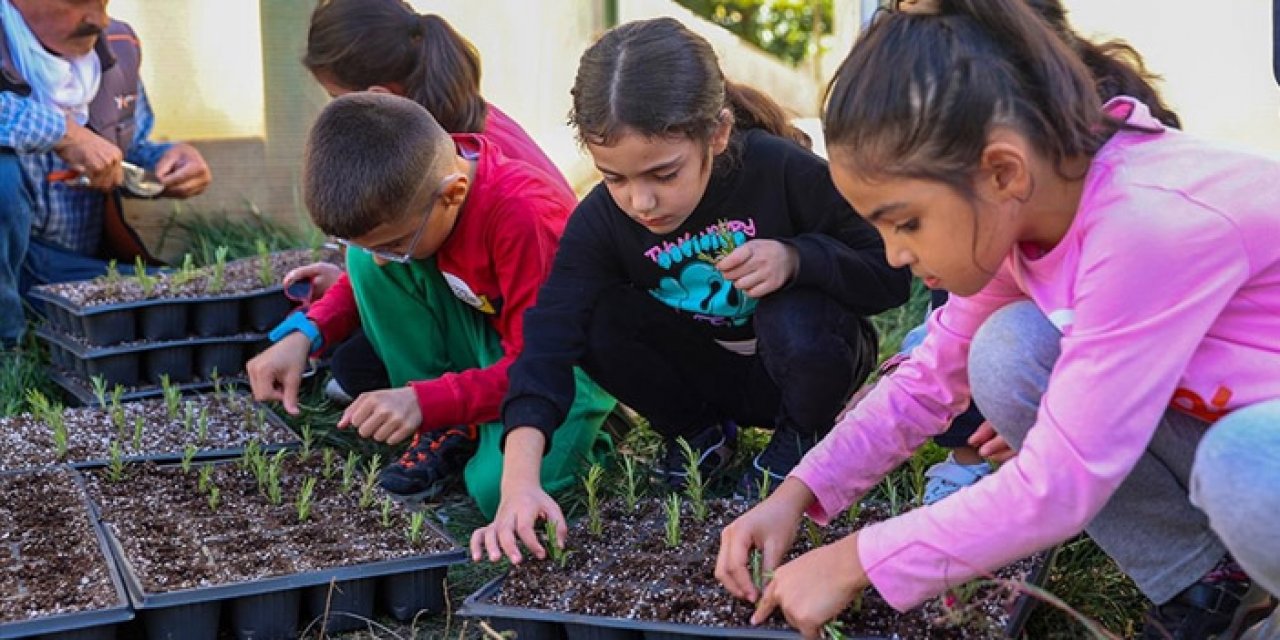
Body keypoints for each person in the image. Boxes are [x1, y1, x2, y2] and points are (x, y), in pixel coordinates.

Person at [717, 2, 1280, 639]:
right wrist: (795, 493)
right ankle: (1202, 580)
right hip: (1248, 424)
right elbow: (929, 379)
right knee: (1009, 350)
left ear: (1003, 170)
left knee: (1243, 463)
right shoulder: (1029, 214)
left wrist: (856, 560)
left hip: (1256, 452)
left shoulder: (1142, 225)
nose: (895, 253)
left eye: (906, 222)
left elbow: (1058, 483)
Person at [470, 16, 909, 566]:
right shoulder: (602, 223)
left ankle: (800, 440)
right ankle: (700, 437)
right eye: (615, 178)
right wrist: (518, 483)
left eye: (663, 173)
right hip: (707, 376)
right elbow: (549, 342)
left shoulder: (781, 170)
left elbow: (890, 275)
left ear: (717, 134)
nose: (642, 202)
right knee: (594, 314)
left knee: (794, 314)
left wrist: (798, 258)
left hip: (808, 366)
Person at [246, 92, 615, 518]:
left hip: (562, 368)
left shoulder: (524, 216)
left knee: (495, 490)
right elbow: (371, 264)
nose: (384, 258)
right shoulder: (419, 201)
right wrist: (309, 332)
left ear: (452, 193)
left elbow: (539, 361)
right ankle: (449, 426)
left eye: (395, 244)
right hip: (493, 339)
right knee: (363, 264)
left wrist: (424, 399)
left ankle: (595, 436)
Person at [884, 0, 1185, 507]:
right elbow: (946, 356)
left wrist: (1059, 418)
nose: (896, 255)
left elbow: (1135, 341)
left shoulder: (1126, 201)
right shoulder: (1002, 231)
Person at [283, 0, 577, 407]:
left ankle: (442, 410)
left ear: (377, 96)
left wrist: (429, 402)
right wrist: (316, 324)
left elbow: (541, 353)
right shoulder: (429, 142)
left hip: (532, 340)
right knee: (359, 320)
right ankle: (437, 415)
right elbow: (396, 249)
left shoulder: (504, 194)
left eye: (336, 99)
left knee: (362, 330)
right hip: (479, 305)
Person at [0, 0, 211, 349]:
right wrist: (63, 134)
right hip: (15, 254)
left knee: (181, 303)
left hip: (63, 263)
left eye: (103, 1)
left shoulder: (118, 46)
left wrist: (166, 164)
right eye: (78, 1)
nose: (98, 19)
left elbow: (130, 148)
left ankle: (50, 315)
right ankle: (9, 348)